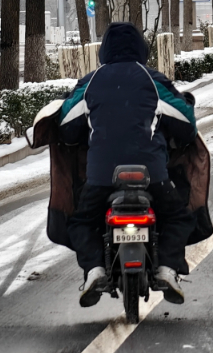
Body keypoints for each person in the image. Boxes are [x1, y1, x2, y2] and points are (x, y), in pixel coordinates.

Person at [58, 22, 198, 307]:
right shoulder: (153, 81)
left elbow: (65, 127)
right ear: (142, 50)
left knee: (81, 221)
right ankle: (168, 269)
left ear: (104, 51)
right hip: (152, 174)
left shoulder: (90, 83)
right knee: (179, 215)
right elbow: (186, 126)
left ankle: (95, 270)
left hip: (101, 176)